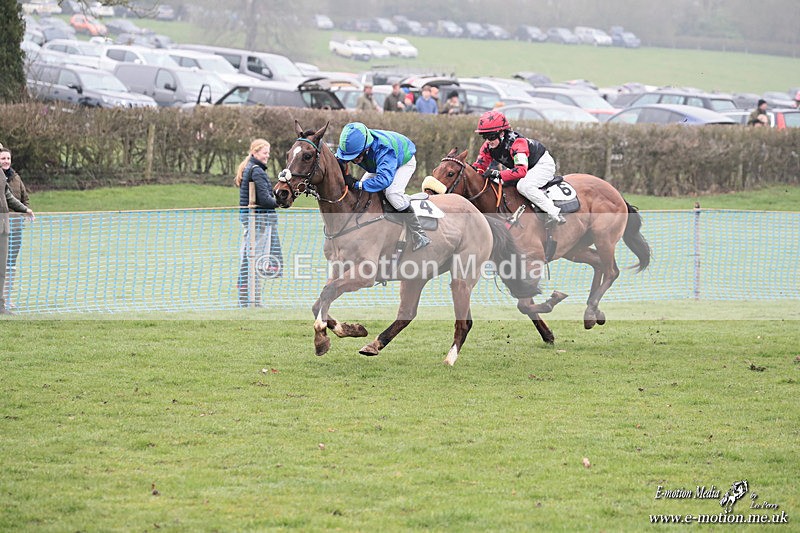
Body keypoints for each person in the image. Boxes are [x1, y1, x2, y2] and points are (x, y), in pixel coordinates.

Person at [335, 122, 431, 251]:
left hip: (403, 161)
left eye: (356, 155)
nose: (354, 160)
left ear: (366, 147)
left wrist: (356, 184)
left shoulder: (383, 149)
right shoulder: (353, 146)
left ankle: (419, 234)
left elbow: (384, 180)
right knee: (361, 194)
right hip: (378, 163)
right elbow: (337, 160)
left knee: (392, 194)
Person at [472, 110, 566, 227]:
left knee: (524, 186)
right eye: (484, 136)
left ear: (501, 133)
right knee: (494, 182)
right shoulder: (488, 147)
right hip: (524, 168)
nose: (488, 141)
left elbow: (521, 171)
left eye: (491, 136)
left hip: (541, 165)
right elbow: (479, 167)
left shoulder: (517, 143)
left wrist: (497, 173)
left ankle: (555, 212)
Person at [234, 138, 283, 307]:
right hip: (259, 221)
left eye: (268, 152)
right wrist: (281, 201)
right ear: (254, 152)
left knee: (251, 259)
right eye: (264, 152)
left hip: (253, 220)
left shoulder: (252, 169)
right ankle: (249, 300)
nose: (267, 156)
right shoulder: (256, 171)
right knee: (253, 261)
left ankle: (252, 300)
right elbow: (265, 200)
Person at [0, 152, 35, 315]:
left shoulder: (16, 178)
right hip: (2, 224)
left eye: (8, 158)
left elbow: (22, 198)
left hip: (13, 227)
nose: (6, 161)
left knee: (10, 265)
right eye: (2, 158)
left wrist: (24, 211)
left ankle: (6, 298)